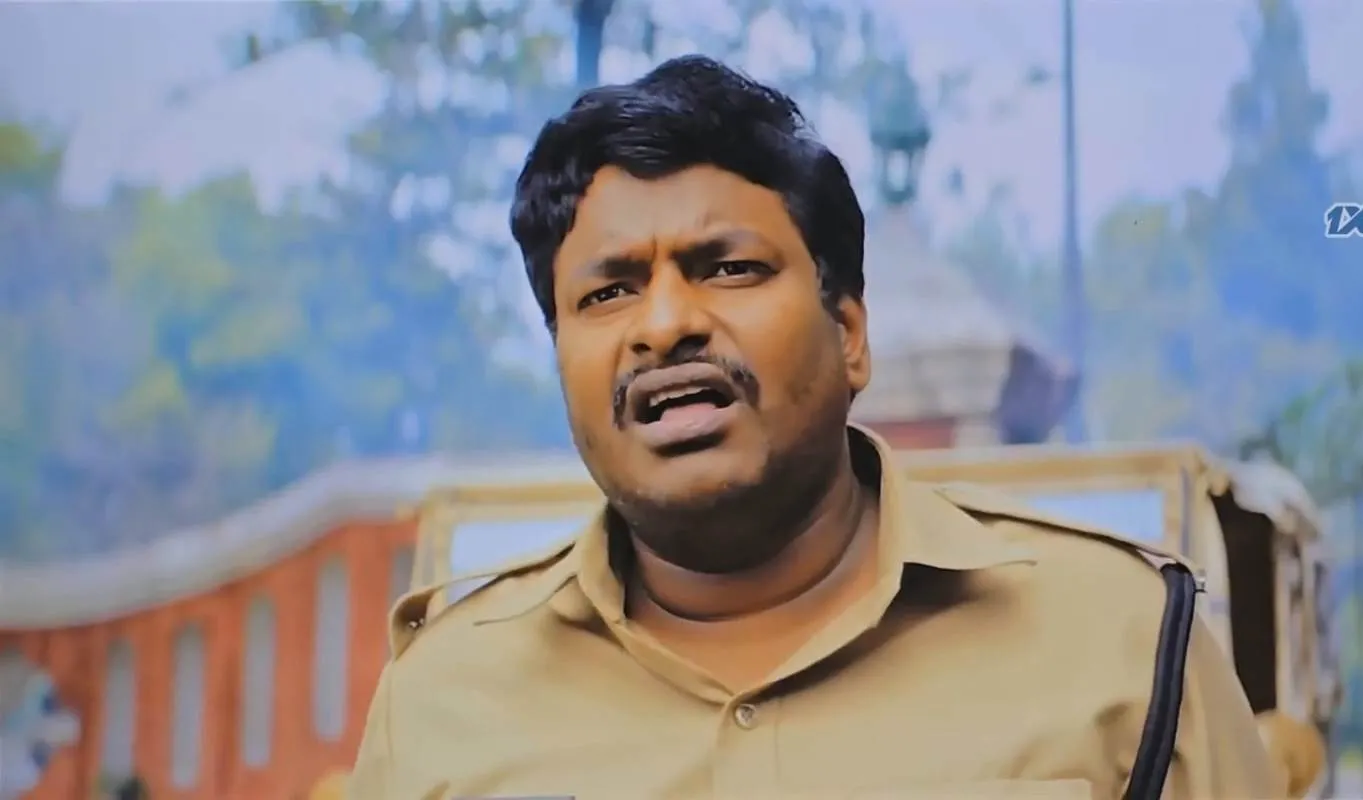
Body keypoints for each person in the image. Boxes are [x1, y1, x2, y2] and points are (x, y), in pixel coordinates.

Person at [345, 55, 1279, 799]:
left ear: (850, 334)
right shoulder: (440, 700)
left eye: (728, 268)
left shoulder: (1121, 640)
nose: (664, 324)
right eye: (609, 291)